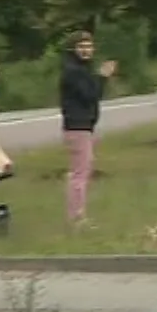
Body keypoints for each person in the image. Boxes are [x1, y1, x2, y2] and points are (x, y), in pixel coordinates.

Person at [60, 30, 117, 228]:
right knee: (80, 173)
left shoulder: (81, 69)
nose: (86, 50)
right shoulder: (73, 71)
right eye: (81, 47)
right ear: (73, 49)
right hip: (78, 126)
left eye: (89, 46)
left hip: (84, 126)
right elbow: (90, 95)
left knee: (82, 169)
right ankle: (77, 218)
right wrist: (102, 78)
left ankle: (77, 214)